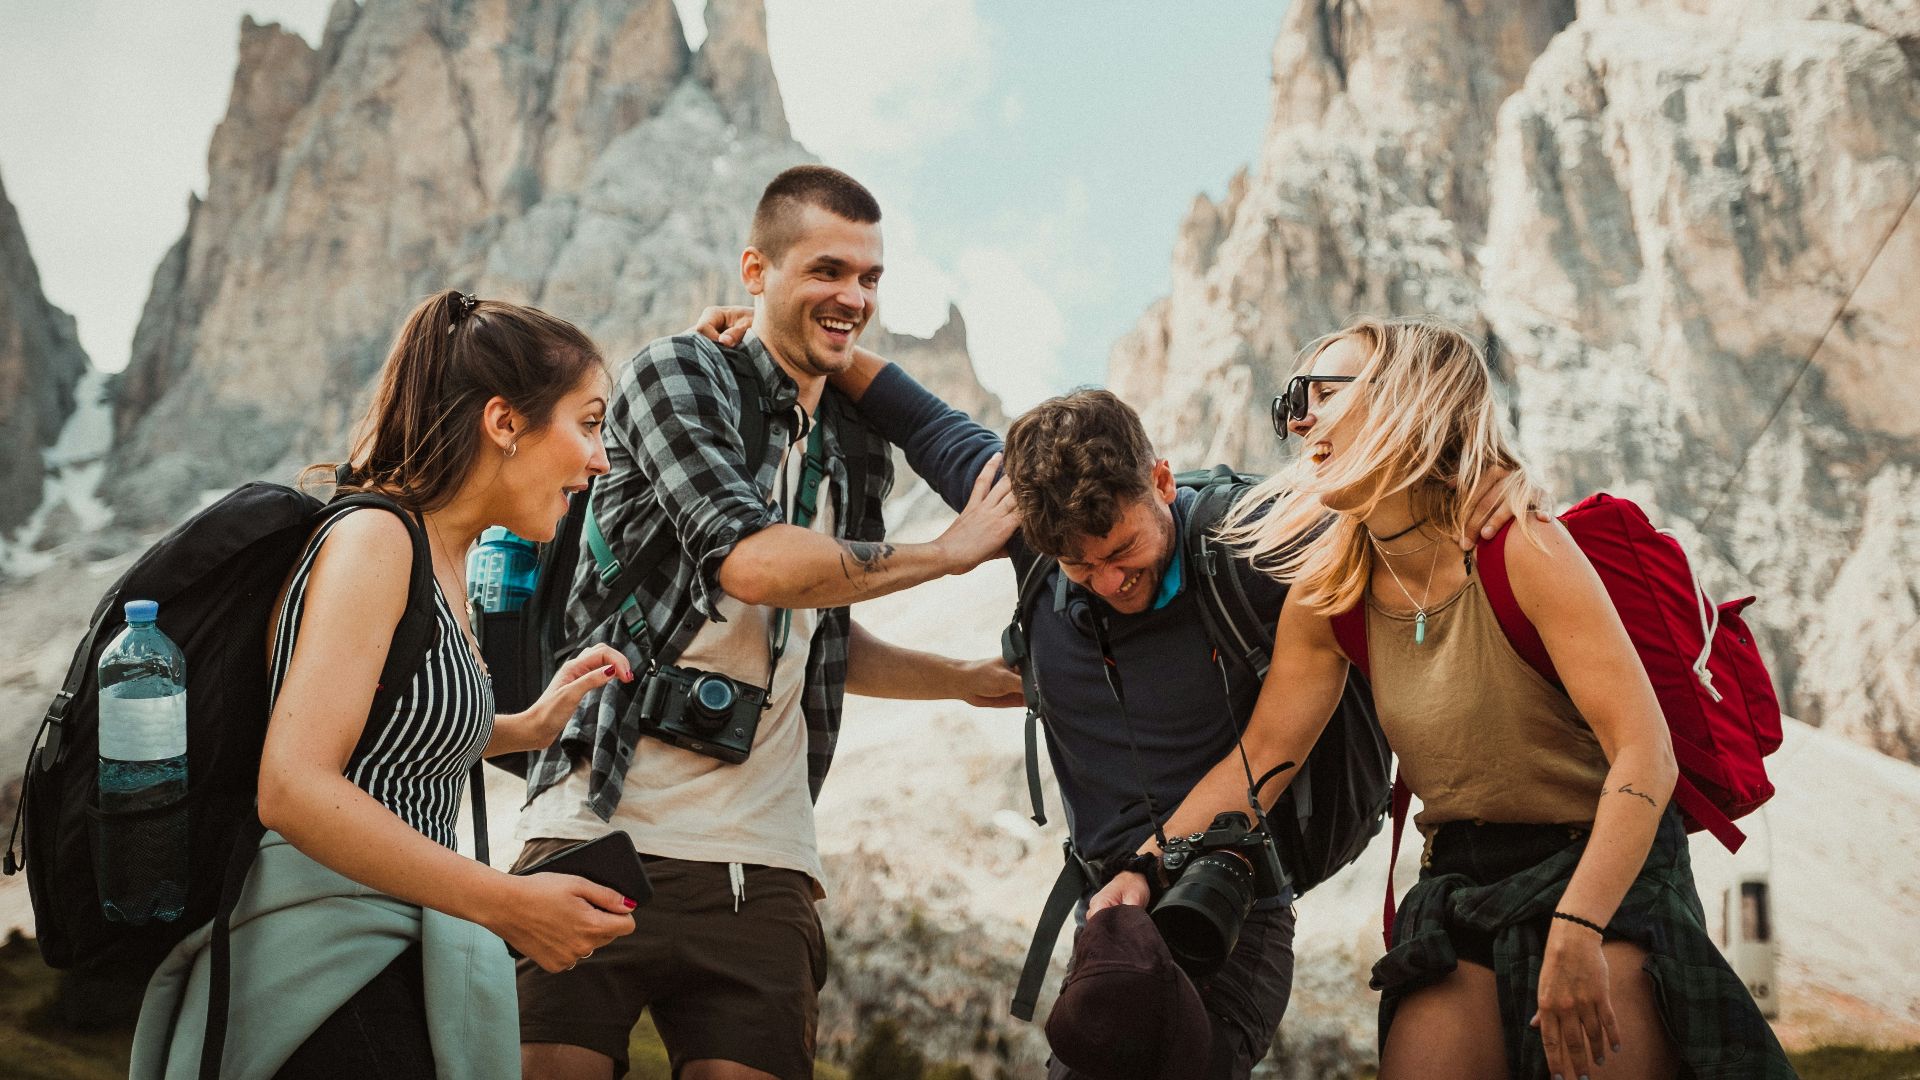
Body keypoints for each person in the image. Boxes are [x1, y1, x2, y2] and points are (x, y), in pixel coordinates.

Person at [678, 300, 1519, 1077]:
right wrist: (782, 330)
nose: (1108, 581)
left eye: (1124, 553)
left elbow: (1395, 499)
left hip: (1226, 903)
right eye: (1079, 567)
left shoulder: (1254, 539)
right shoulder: (1032, 533)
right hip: (1110, 911)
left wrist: (1491, 484)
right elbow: (917, 416)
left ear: (1159, 480)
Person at [1091, 316, 1795, 1079]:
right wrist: (1146, 865)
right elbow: (1261, 758)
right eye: (1294, 400)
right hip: (1460, 880)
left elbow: (1645, 756)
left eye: (1323, 393)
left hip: (1601, 867)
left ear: (1408, 397)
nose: (1298, 419)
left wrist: (1582, 923)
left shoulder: (1521, 547)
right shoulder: (1331, 595)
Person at [511, 165, 1022, 1080]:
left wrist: (960, 679)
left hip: (765, 863)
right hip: (597, 827)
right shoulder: (677, 375)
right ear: (756, 269)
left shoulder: (860, 446)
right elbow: (749, 560)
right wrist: (948, 553)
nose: (853, 296)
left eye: (870, 278)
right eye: (827, 270)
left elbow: (818, 628)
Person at [131, 290, 645, 1078]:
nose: (600, 458)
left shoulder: (443, 559)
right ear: (504, 423)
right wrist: (508, 904)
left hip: (387, 952)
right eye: (587, 422)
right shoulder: (377, 538)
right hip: (323, 971)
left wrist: (527, 724)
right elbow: (294, 787)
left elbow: (385, 729)